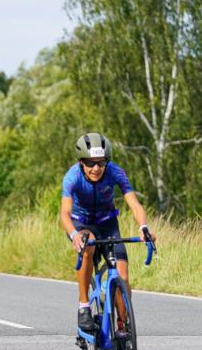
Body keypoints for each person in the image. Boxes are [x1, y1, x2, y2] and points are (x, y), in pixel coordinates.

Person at [59, 132, 155, 334]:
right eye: (90, 163)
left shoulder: (115, 172)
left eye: (101, 163)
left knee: (123, 275)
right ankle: (84, 306)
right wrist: (74, 234)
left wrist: (143, 227)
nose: (96, 168)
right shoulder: (72, 177)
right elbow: (65, 214)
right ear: (81, 162)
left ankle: (123, 327)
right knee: (88, 246)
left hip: (107, 223)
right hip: (81, 223)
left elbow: (134, 204)